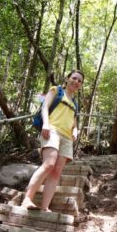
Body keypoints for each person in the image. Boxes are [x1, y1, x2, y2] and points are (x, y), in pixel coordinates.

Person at [21, 70, 84, 211]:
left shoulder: (75, 103)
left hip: (67, 138)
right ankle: (27, 199)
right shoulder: (56, 90)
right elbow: (45, 106)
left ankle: (45, 207)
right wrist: (46, 124)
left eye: (80, 81)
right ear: (67, 79)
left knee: (56, 173)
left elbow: (74, 123)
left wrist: (75, 130)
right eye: (74, 78)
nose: (76, 82)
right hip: (52, 130)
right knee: (49, 164)